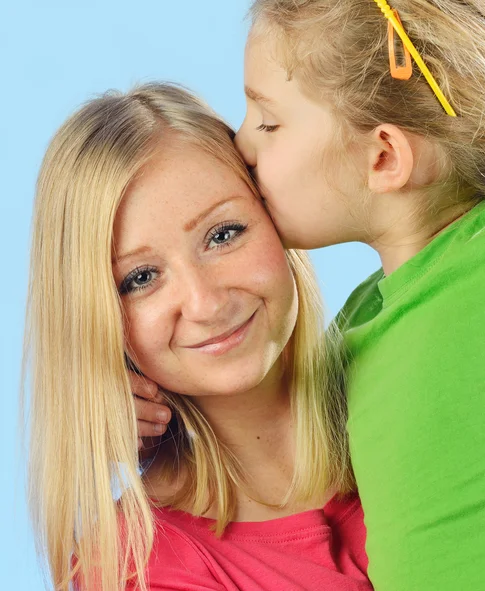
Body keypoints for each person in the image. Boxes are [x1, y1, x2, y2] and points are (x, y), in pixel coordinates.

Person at [142, 1, 485, 589]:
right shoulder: (362, 324)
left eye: (268, 121)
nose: (242, 144)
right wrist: (130, 415)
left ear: (384, 156)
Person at [24, 82, 371, 591]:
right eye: (141, 278)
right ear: (98, 320)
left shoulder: (415, 363)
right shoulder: (136, 568)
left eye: (223, 234)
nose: (206, 304)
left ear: (273, 216)